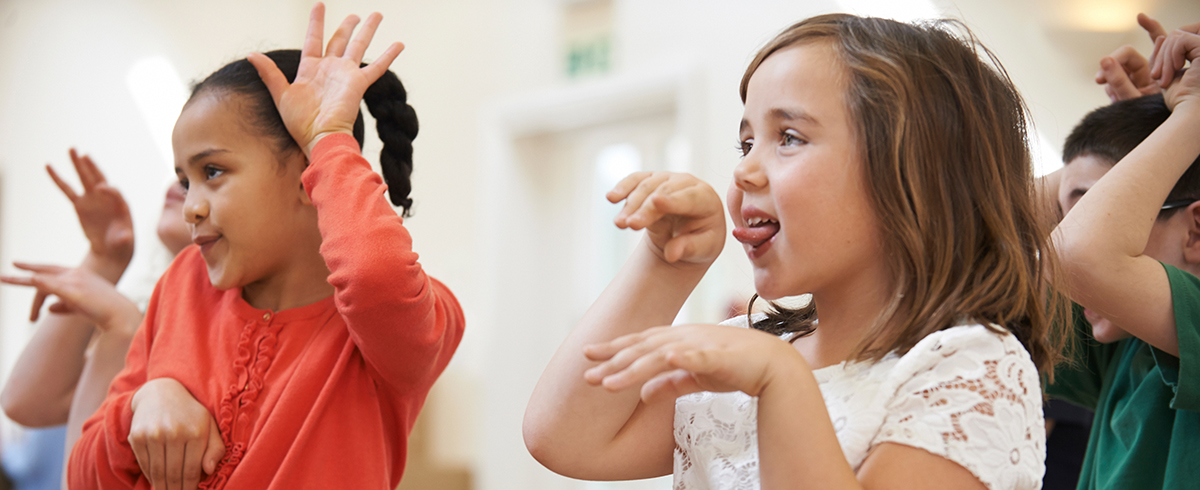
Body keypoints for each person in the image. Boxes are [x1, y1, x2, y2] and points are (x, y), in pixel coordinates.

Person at [525, 14, 1065, 490]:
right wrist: (669, 263)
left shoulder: (969, 366)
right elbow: (565, 439)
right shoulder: (757, 347)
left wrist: (781, 383)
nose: (742, 170)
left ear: (914, 175)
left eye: (788, 137)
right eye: (746, 142)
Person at [38, 4, 465, 489]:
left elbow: (374, 274)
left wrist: (327, 137)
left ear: (311, 174)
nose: (189, 207)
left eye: (212, 172)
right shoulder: (181, 286)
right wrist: (142, 404)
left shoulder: (413, 316)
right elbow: (84, 477)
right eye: (185, 180)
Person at [1047, 24, 1200, 490]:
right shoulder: (1125, 342)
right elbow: (976, 225)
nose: (1062, 232)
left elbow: (1079, 255)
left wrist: (1191, 120)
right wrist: (1151, 129)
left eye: (1094, 213)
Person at [0, 150, 190, 490]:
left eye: (213, 170)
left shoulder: (210, 329)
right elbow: (26, 402)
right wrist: (104, 259)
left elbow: (80, 481)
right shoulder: (161, 311)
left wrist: (122, 328)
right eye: (180, 169)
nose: (180, 182)